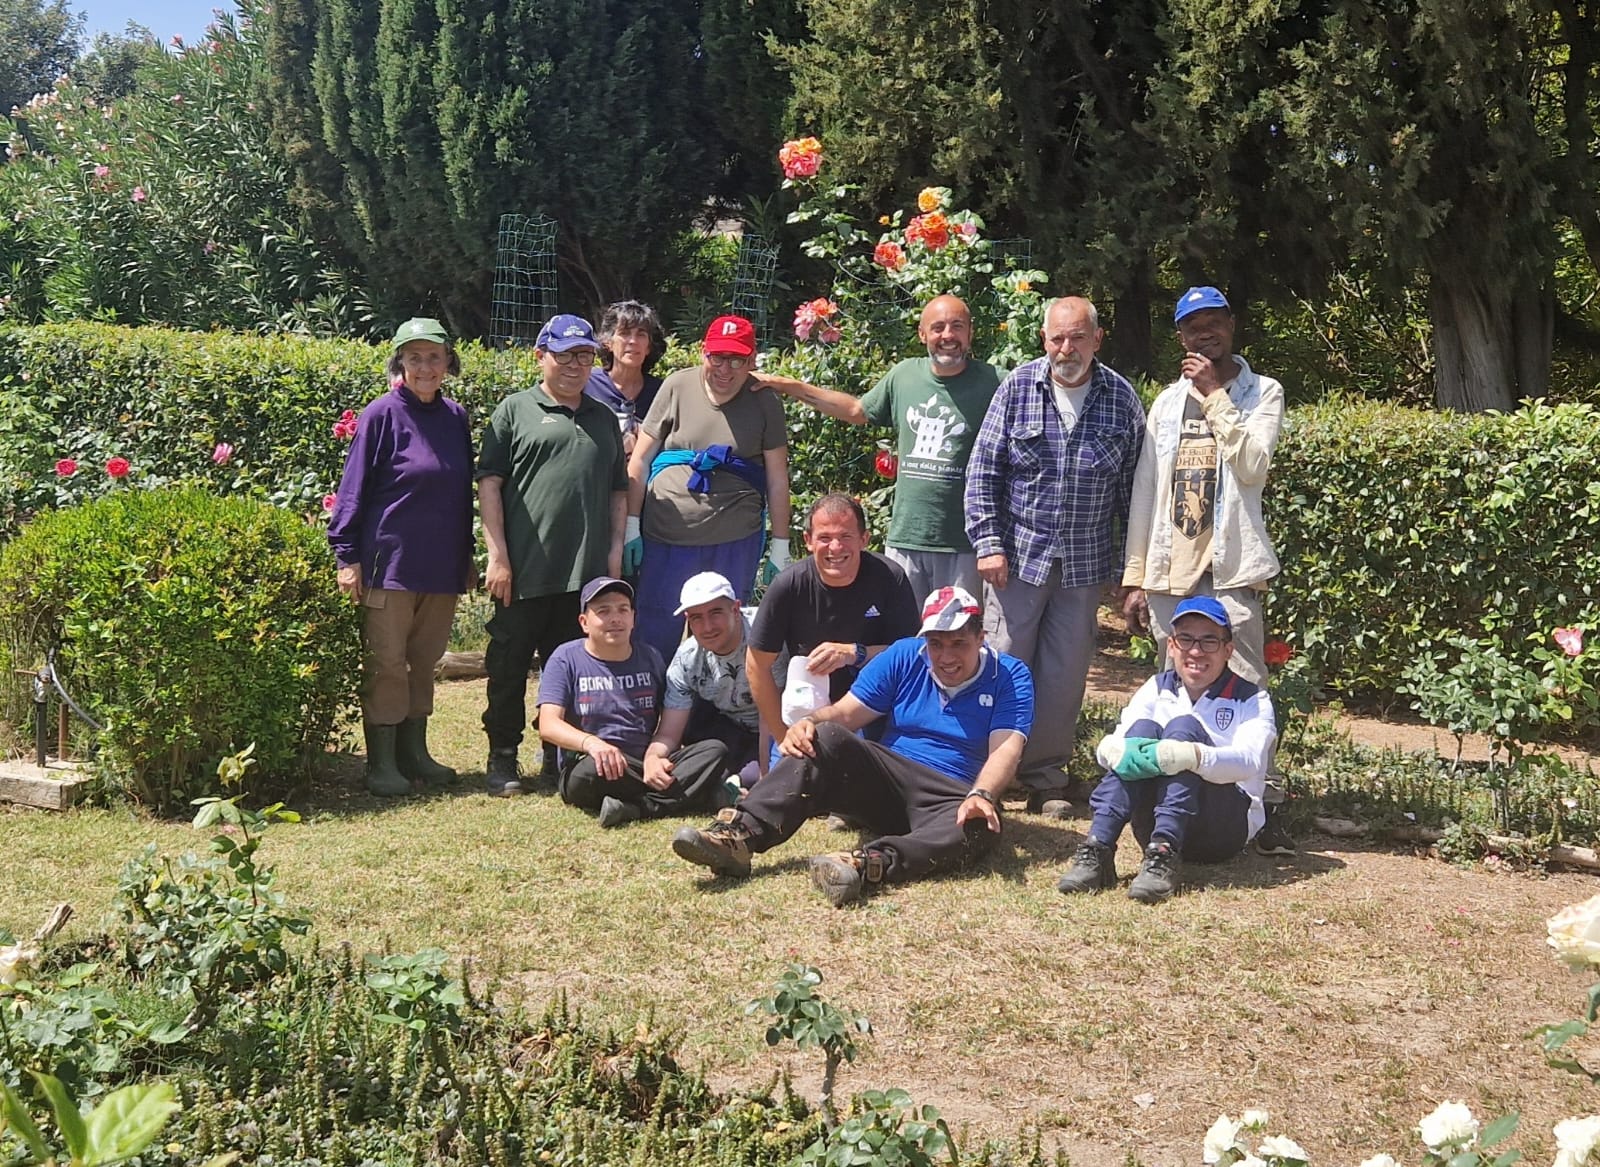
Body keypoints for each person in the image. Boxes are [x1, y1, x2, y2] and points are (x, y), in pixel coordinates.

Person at [670, 585, 1033, 905]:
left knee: (981, 825)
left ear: (981, 637)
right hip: (889, 779)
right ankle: (738, 835)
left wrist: (982, 794)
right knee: (826, 734)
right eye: (936, 644)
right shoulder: (905, 655)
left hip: (951, 795)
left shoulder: (1010, 675)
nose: (946, 657)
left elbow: (1006, 748)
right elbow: (845, 714)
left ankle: (864, 864)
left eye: (959, 644)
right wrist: (809, 723)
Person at [965, 296, 1145, 817]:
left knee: (1064, 677)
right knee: (1001, 666)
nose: (1067, 348)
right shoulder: (1018, 387)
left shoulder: (1121, 398)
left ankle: (1046, 778)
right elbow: (983, 470)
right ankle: (990, 777)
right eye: (1057, 338)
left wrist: (1130, 570)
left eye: (1078, 337)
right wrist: (988, 543)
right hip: (1017, 559)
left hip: (1084, 565)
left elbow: (1135, 492)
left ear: (1097, 339)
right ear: (1044, 339)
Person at [477, 314, 627, 797]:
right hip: (523, 572)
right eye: (564, 355)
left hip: (584, 577)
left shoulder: (603, 417)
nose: (575, 365)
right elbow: (489, 486)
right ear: (541, 356)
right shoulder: (514, 410)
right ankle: (502, 755)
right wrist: (498, 556)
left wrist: (614, 555)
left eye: (584, 356)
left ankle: (557, 756)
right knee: (507, 668)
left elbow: (618, 492)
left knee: (571, 672)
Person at [764, 294, 1001, 598]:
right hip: (906, 541)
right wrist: (788, 386)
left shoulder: (995, 383)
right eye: (938, 327)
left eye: (957, 326)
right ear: (922, 334)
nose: (948, 336)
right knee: (900, 626)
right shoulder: (905, 376)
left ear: (970, 332)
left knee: (959, 628)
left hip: (965, 545)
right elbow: (856, 411)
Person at [328, 317, 475, 797]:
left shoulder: (455, 417)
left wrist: (467, 555)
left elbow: (461, 494)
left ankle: (416, 753)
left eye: (434, 357)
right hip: (387, 565)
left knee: (424, 660)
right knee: (387, 663)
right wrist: (346, 556)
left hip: (440, 566)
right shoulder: (381, 415)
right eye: (415, 358)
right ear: (400, 364)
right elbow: (353, 488)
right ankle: (382, 762)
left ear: (447, 363)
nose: (425, 367)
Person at [1055, 596, 1277, 903]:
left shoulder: (1251, 697)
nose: (1196, 651)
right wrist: (1113, 751)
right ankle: (1098, 848)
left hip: (1221, 830)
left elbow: (1249, 761)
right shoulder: (1156, 687)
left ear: (1228, 650)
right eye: (1186, 639)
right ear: (1171, 646)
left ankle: (1164, 852)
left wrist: (1193, 756)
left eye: (1209, 641)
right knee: (1142, 732)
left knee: (1184, 728)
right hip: (1151, 820)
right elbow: (1114, 746)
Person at [1121, 286, 1284, 686]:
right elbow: (1146, 491)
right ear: (1182, 338)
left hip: (1231, 573)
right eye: (1193, 327)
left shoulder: (1263, 393)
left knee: (1243, 688)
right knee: (1175, 689)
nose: (1205, 333)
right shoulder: (1166, 403)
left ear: (1232, 325)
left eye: (1214, 322)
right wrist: (1136, 579)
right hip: (1170, 575)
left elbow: (1252, 466)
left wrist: (1213, 394)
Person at [623, 314, 792, 661]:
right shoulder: (677, 386)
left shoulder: (764, 401)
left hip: (734, 538)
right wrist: (630, 525)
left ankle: (721, 699)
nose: (725, 369)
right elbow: (639, 459)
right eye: (717, 357)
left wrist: (781, 545)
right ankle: (650, 696)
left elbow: (777, 478)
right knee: (654, 635)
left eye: (737, 360)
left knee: (724, 637)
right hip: (666, 535)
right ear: (703, 352)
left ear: (752, 360)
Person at [536, 577, 731, 828]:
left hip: (644, 763)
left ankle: (636, 808)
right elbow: (548, 725)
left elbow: (669, 721)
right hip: (593, 764)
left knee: (714, 750)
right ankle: (694, 795)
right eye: (603, 611)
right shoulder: (566, 658)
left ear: (633, 619)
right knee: (589, 773)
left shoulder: (650, 657)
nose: (615, 618)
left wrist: (655, 759)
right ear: (584, 622)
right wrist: (592, 744)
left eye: (622, 610)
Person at [746, 493, 919, 747]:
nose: (835, 548)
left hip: (875, 709)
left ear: (864, 539)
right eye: (825, 538)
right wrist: (782, 735)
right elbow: (756, 664)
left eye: (845, 536)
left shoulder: (890, 578)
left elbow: (914, 655)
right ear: (808, 541)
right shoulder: (788, 585)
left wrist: (855, 653)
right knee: (788, 767)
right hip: (806, 711)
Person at [652, 571, 779, 790]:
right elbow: (669, 733)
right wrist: (652, 758)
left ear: (736, 609)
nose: (707, 627)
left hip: (777, 725)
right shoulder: (686, 659)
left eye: (715, 613)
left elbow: (771, 717)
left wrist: (765, 777)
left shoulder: (766, 634)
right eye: (697, 618)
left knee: (763, 776)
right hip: (727, 726)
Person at [583, 300, 666, 459]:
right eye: (624, 333)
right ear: (608, 342)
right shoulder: (586, 384)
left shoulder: (662, 392)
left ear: (649, 346)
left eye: (641, 334)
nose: (633, 341)